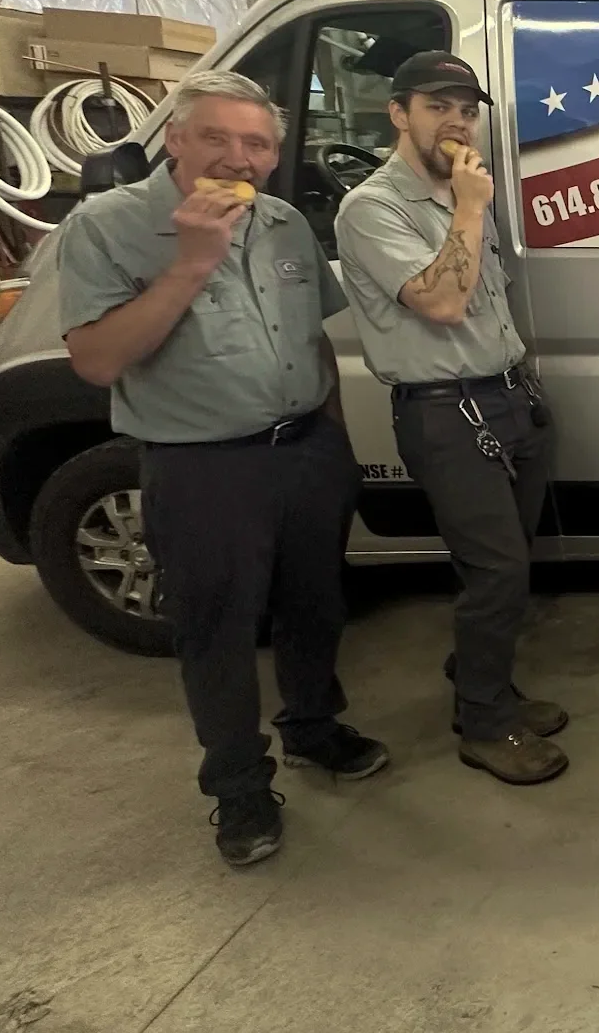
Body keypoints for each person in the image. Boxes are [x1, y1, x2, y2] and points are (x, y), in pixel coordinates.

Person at [57, 70, 385, 869]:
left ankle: (312, 727)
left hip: (306, 451)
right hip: (203, 468)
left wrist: (334, 439)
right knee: (218, 632)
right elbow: (97, 360)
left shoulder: (283, 222)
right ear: (174, 138)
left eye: (257, 143)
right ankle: (238, 787)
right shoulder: (106, 225)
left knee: (314, 607)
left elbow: (312, 339)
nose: (239, 157)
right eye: (217, 136)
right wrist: (191, 264)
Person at [334, 51, 568, 787]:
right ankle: (484, 722)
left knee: (502, 563)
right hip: (448, 413)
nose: (457, 122)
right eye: (437, 106)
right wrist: (468, 207)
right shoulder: (374, 208)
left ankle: (484, 681)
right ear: (398, 114)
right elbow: (441, 301)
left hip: (507, 398)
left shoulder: (462, 193)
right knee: (499, 572)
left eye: (466, 110)